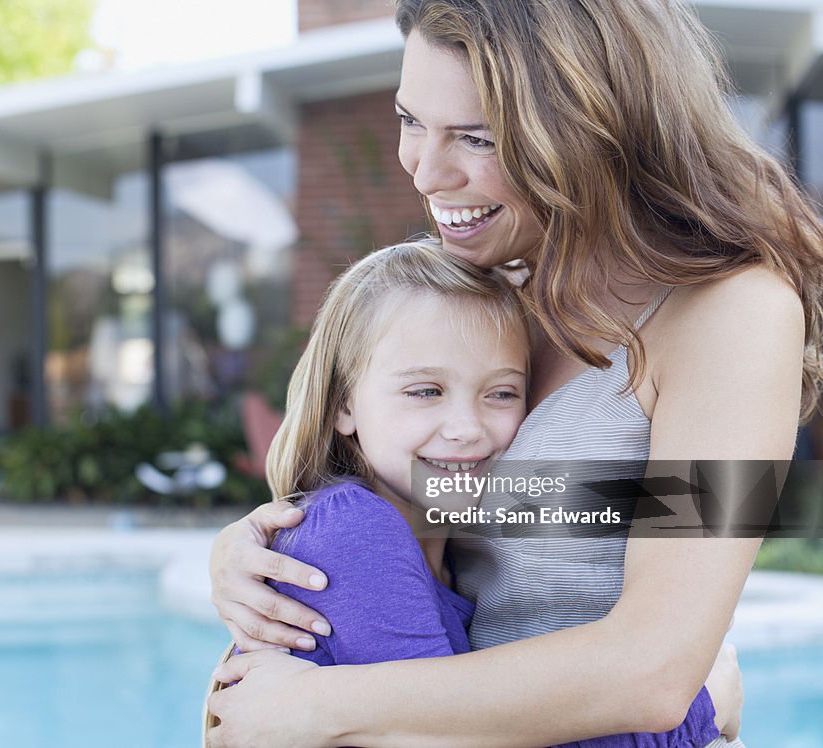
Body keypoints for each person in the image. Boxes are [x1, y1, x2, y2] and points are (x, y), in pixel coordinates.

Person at [206, 0, 823, 745]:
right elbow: (447, 518)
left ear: (595, 127)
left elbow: (655, 672)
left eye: (477, 136)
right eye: (410, 120)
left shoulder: (738, 313)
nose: (426, 171)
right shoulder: (497, 295)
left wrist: (321, 709)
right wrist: (269, 545)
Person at [219, 238, 728, 747]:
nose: (466, 428)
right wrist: (707, 695)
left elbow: (702, 498)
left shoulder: (454, 533)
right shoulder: (356, 528)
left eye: (501, 393)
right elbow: (451, 734)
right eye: (425, 391)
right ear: (343, 404)